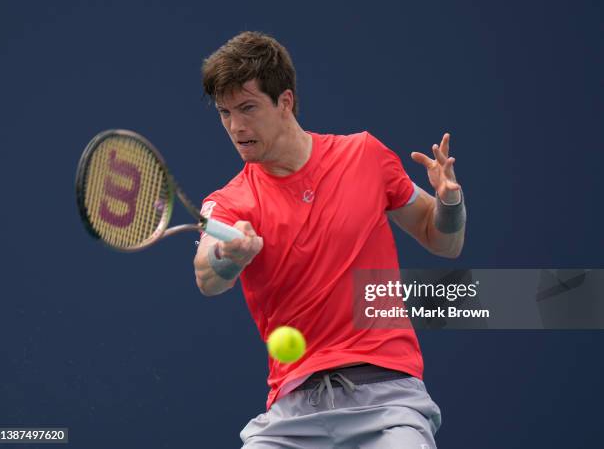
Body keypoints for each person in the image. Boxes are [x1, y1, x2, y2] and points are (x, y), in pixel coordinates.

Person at [194, 31, 466, 449]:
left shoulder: (364, 156)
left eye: (247, 108)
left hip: (389, 403)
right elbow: (207, 275)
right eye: (224, 113)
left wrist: (449, 203)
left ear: (285, 101)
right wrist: (229, 257)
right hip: (292, 416)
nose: (235, 126)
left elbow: (443, 239)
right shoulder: (230, 202)